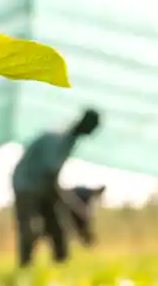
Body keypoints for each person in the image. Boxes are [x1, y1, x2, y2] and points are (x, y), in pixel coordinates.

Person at [10, 109, 102, 267]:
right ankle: (25, 266)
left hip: (42, 186)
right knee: (30, 226)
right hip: (26, 185)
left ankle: (61, 263)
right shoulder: (56, 139)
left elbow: (52, 178)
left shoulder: (69, 142)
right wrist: (74, 206)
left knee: (57, 226)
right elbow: (50, 175)